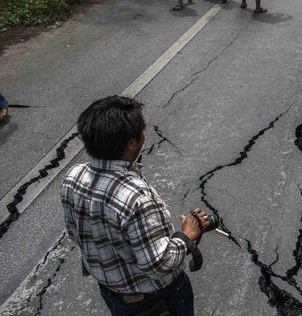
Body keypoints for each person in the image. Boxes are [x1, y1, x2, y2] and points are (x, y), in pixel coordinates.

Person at [61, 96, 212, 316]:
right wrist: (186, 235)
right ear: (132, 143)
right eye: (141, 131)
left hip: (113, 294)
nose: (144, 135)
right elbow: (159, 266)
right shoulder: (136, 198)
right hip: (155, 301)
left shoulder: (73, 176)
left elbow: (75, 234)